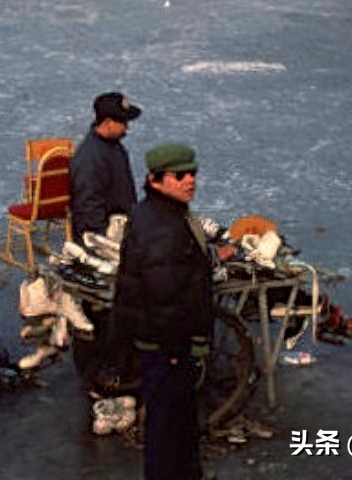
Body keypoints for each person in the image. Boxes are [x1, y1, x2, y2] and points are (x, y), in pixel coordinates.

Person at [114, 143, 212, 480]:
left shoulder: (154, 212)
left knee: (177, 423)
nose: (190, 181)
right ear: (156, 180)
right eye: (181, 175)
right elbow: (164, 296)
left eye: (193, 174)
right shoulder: (164, 228)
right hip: (165, 346)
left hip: (158, 342)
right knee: (168, 428)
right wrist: (174, 349)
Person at [69, 93, 140, 382]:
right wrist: (104, 253)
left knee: (115, 312)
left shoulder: (113, 149)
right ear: (108, 122)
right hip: (100, 248)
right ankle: (98, 375)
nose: (128, 128)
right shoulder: (90, 158)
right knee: (99, 313)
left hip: (119, 238)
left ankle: (115, 367)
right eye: (123, 122)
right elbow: (89, 211)